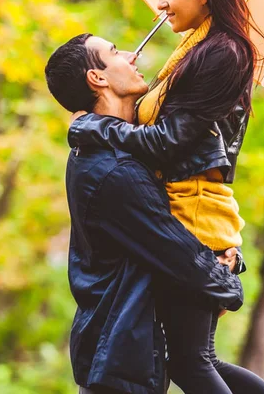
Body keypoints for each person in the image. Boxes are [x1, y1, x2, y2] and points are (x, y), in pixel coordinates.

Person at [69, 0, 264, 393]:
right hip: (187, 208)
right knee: (193, 359)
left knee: (192, 363)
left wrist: (96, 127)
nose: (160, 3)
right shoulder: (192, 48)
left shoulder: (221, 52)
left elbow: (165, 142)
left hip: (195, 212)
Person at [45, 33, 246, 394]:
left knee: (201, 361)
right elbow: (176, 252)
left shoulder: (116, 153)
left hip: (120, 356)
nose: (130, 55)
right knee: (200, 362)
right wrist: (228, 281)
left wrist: (224, 254)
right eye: (114, 52)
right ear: (98, 78)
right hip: (117, 362)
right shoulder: (112, 169)